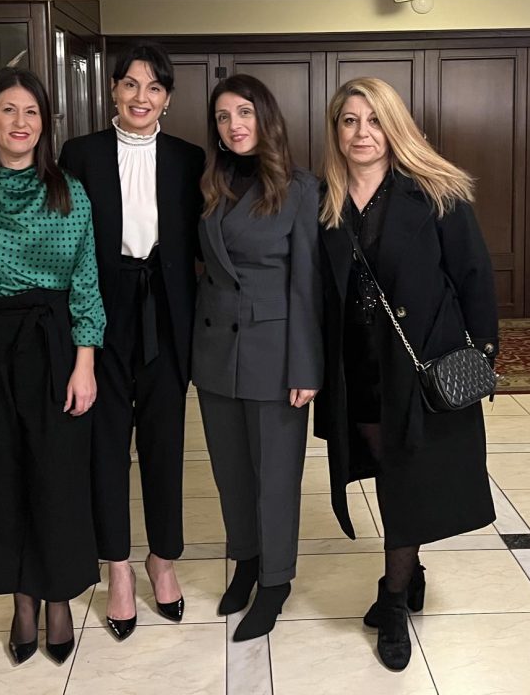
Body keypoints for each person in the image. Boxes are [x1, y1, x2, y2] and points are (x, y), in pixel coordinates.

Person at [316, 77, 498, 671]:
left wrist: (483, 356)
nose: (361, 133)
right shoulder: (325, 201)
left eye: (374, 120)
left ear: (394, 126)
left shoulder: (437, 192)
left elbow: (474, 276)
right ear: (336, 131)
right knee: (386, 466)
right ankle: (410, 570)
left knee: (404, 474)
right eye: (349, 121)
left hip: (419, 363)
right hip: (357, 367)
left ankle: (393, 597)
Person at [0, 67, 105, 666]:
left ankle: (58, 597)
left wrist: (85, 362)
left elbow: (86, 281)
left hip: (52, 342)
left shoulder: (69, 190)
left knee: (56, 475)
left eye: (32, 112)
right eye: (9, 110)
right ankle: (21, 600)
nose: (21, 122)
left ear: (45, 123)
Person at [58, 43, 205, 640]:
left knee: (165, 442)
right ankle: (117, 568)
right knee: (106, 443)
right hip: (103, 305)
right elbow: (61, 236)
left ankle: (162, 559)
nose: (141, 97)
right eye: (130, 85)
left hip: (168, 309)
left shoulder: (189, 159)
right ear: (113, 90)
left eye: (154, 87)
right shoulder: (81, 153)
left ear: (167, 98)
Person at [192, 74, 322, 641]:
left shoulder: (300, 188)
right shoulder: (211, 184)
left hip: (275, 353)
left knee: (275, 478)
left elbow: (308, 284)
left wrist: (306, 367)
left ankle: (275, 581)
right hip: (216, 350)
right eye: (223, 117)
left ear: (265, 117)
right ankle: (246, 561)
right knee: (231, 473)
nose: (234, 125)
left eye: (244, 112)